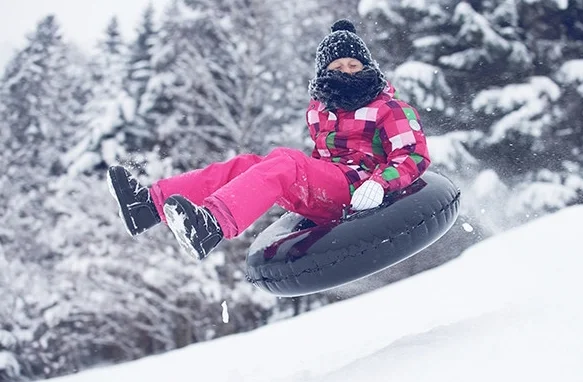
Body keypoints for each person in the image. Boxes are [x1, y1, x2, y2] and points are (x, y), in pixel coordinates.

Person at [107, 19, 431, 261]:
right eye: (337, 66)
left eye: (353, 65)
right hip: (329, 188)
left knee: (286, 160)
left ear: (366, 67)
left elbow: (413, 155)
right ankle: (148, 205)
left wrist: (380, 183)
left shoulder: (388, 108)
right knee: (246, 164)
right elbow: (322, 162)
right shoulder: (320, 111)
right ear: (324, 73)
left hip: (359, 189)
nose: (346, 71)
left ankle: (212, 225)